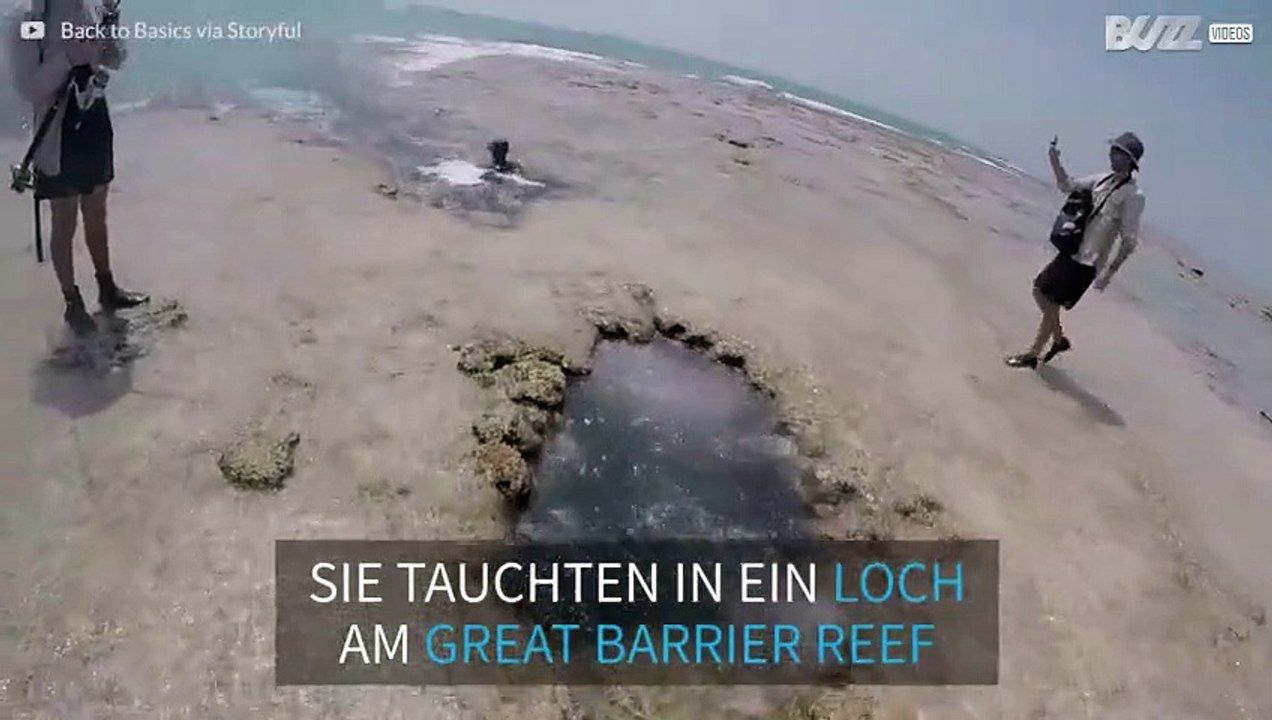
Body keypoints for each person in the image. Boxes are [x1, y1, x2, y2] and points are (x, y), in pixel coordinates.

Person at [7, 0, 147, 337]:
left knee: (97, 211)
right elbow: (28, 87)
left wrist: (111, 19)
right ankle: (73, 303)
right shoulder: (30, 17)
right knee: (64, 218)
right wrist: (68, 57)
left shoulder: (91, 6)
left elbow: (116, 59)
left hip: (94, 118)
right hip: (58, 132)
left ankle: (107, 288)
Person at [1005, 132, 1146, 369]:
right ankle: (1057, 340)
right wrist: (1054, 160)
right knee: (1042, 293)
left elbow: (1129, 240)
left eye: (1119, 153)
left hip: (1088, 261)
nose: (1113, 155)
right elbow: (1067, 185)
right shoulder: (1102, 179)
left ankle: (1034, 353)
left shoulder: (1134, 196)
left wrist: (1109, 273)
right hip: (1072, 249)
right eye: (1113, 150)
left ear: (1130, 160)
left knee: (1047, 297)